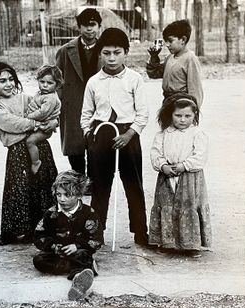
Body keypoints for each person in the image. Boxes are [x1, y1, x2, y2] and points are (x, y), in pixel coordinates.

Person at [81, 28, 150, 246]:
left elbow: (143, 113)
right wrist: (90, 136)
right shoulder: (93, 82)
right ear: (100, 53)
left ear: (126, 52)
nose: (112, 58)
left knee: (134, 186)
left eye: (117, 52)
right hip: (101, 135)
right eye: (107, 53)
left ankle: (140, 232)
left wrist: (130, 133)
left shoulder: (134, 79)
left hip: (128, 136)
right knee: (100, 187)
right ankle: (96, 233)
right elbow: (85, 114)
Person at [0, 61, 58, 246]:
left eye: (11, 79)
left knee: (42, 187)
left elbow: (46, 111)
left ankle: (45, 227)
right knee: (19, 191)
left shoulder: (25, 98)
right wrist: (36, 125)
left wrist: (54, 122)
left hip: (39, 150)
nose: (8, 84)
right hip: (17, 152)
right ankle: (17, 231)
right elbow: (11, 124)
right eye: (2, 81)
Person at [149, 92, 211, 258]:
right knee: (167, 206)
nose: (182, 120)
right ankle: (167, 242)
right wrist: (162, 166)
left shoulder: (197, 134)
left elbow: (201, 155)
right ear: (170, 115)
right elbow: (155, 153)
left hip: (189, 178)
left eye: (187, 116)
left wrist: (185, 165)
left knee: (188, 206)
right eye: (178, 116)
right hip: (167, 176)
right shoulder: (163, 135)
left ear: (194, 115)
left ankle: (191, 244)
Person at [33, 170, 103, 301]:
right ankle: (84, 268)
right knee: (38, 260)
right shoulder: (51, 213)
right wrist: (53, 246)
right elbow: (39, 235)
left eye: (67, 195)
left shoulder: (89, 213)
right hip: (57, 254)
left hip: (78, 251)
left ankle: (78, 279)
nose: (62, 199)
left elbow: (97, 239)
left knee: (82, 255)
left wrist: (76, 246)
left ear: (78, 195)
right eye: (58, 194)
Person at [56, 8, 102, 177]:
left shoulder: (106, 50)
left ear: (99, 26)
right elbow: (57, 81)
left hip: (98, 104)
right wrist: (58, 105)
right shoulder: (65, 51)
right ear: (78, 27)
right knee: (75, 145)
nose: (89, 29)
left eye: (93, 25)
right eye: (85, 25)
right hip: (73, 104)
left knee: (96, 143)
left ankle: (93, 179)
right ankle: (79, 178)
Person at [146, 19, 203, 107]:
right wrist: (154, 57)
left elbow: (195, 89)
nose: (167, 44)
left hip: (182, 105)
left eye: (170, 41)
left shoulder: (190, 59)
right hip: (167, 102)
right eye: (166, 41)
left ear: (183, 40)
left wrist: (192, 110)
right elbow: (154, 74)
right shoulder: (169, 58)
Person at [24, 65, 62, 174]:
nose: (45, 85)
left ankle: (36, 162)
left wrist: (28, 116)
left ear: (57, 85)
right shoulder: (41, 93)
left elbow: (42, 113)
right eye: (42, 82)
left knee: (30, 141)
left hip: (45, 128)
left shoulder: (51, 98)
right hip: (39, 124)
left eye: (50, 83)